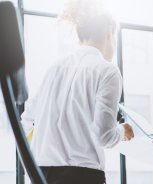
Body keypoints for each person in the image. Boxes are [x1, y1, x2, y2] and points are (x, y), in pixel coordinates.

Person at [20, 0, 134, 183]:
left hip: (41, 173)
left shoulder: (54, 68)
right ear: (108, 33)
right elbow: (104, 137)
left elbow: (26, 120)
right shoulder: (107, 70)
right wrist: (123, 131)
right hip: (82, 175)